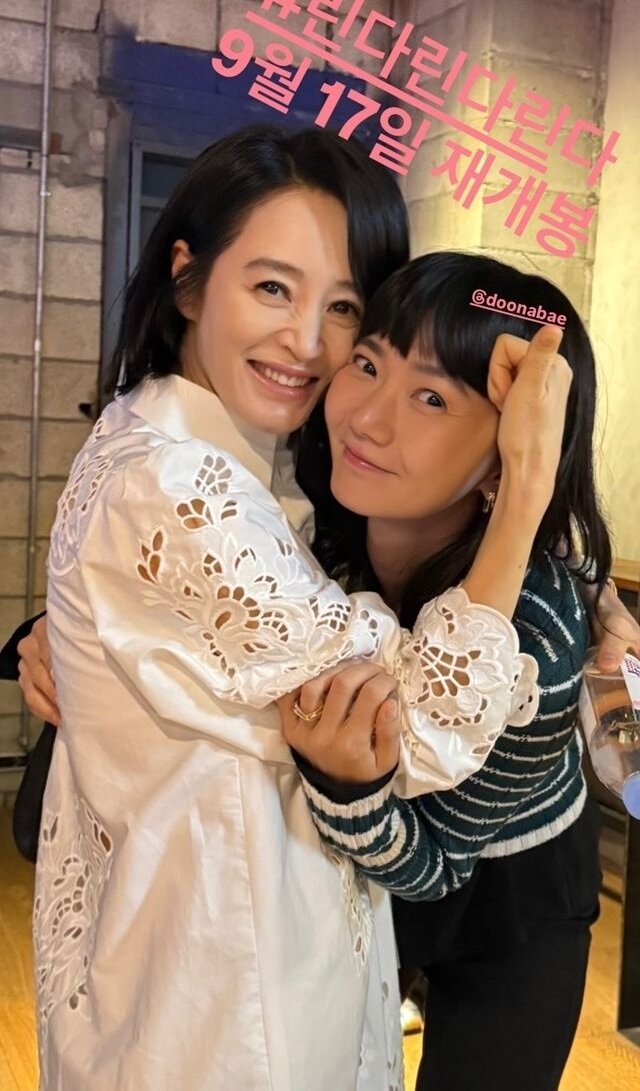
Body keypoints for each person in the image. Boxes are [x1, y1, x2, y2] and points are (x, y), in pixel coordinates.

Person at [13, 123, 575, 1091]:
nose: (315, 349)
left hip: (501, 896)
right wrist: (56, 631)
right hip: (231, 973)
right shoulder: (267, 478)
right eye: (273, 287)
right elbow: (197, 580)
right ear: (189, 280)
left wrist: (535, 490)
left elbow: (431, 828)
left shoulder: (534, 623)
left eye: (343, 307)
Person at [278, 252, 640, 1091]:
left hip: (511, 894)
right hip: (375, 875)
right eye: (368, 363)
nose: (367, 419)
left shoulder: (535, 639)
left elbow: (433, 864)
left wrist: (344, 784)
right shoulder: (322, 521)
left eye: (433, 397)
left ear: (512, 458)